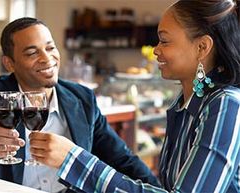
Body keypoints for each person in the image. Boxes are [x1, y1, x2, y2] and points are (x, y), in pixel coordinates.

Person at [29, 0, 240, 192]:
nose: (155, 50)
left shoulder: (226, 104)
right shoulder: (184, 103)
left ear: (202, 47)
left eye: (164, 41)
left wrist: (73, 161)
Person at [0, 17, 159, 192]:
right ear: (9, 63)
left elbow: (123, 160)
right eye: (32, 53)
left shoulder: (82, 98)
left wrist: (158, 189)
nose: (47, 58)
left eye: (50, 48)